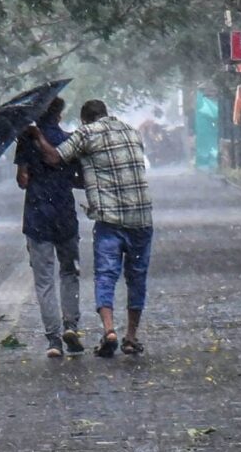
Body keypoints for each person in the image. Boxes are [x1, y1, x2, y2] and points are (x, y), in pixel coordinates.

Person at [27, 99, 153, 357]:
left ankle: (109, 330)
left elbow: (54, 157)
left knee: (106, 275)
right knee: (136, 277)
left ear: (84, 120)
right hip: (142, 218)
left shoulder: (86, 134)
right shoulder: (132, 131)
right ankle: (131, 337)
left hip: (110, 220)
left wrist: (36, 135)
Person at [14, 97, 84, 358]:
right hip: (65, 215)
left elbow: (22, 181)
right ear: (59, 115)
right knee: (70, 272)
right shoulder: (70, 140)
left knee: (44, 281)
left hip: (37, 217)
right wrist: (62, 179)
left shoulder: (25, 141)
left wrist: (32, 168)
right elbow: (80, 179)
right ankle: (71, 326)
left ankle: (54, 339)